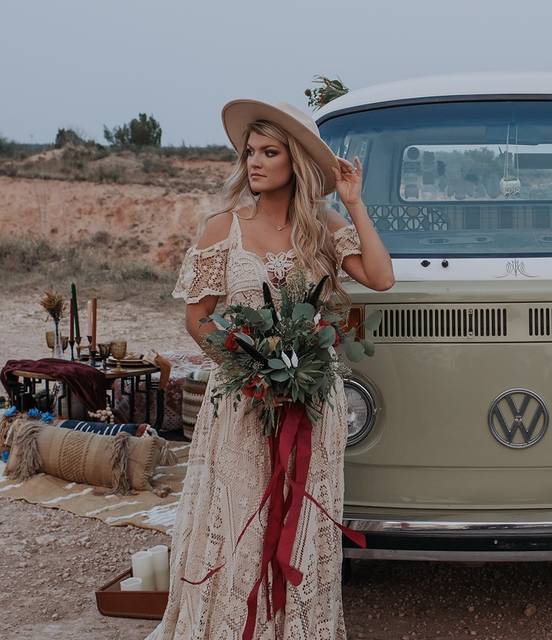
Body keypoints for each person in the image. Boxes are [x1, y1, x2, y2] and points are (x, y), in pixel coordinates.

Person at [149, 99, 394, 639]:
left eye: (269, 152)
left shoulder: (324, 226)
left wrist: (354, 204)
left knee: (302, 516)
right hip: (239, 400)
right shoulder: (221, 229)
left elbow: (380, 278)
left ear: (295, 163)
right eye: (249, 153)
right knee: (238, 517)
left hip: (312, 399)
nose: (254, 162)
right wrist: (253, 373)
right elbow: (199, 321)